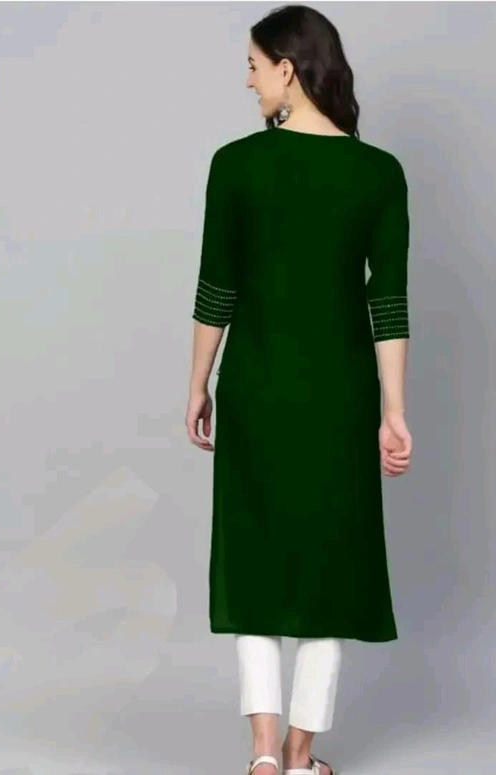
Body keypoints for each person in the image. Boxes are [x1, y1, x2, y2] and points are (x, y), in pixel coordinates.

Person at [185, 4, 413, 775]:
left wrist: (198, 384)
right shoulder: (378, 173)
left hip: (255, 388)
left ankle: (261, 755)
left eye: (254, 66)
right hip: (341, 397)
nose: (247, 81)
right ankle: (301, 754)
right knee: (327, 569)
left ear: (287, 69)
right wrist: (393, 412)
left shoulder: (236, 164)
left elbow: (217, 289)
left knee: (253, 562)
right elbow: (388, 303)